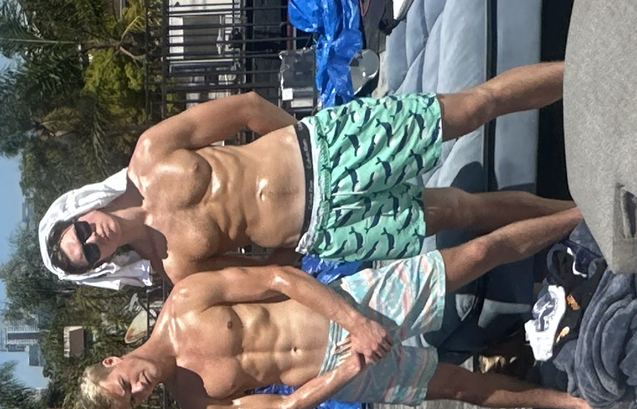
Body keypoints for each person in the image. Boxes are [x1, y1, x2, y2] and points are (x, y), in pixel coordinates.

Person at [41, 66, 569, 287]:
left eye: (80, 230)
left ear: (81, 210)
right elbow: (268, 272)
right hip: (329, 224)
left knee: (471, 108)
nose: (92, 239)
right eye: (87, 253)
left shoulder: (152, 153)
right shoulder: (178, 265)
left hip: (326, 148)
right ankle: (575, 216)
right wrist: (299, 236)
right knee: (461, 212)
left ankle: (580, 71)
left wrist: (309, 137)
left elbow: (246, 108)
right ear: (98, 267)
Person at [78, 232, 624, 409]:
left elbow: (278, 276)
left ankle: (583, 211)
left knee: (474, 254)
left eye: (125, 384)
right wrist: (342, 372)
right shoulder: (197, 402)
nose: (139, 388)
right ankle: (574, 403)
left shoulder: (185, 299)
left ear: (111, 363)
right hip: (342, 375)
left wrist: (355, 323)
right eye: (134, 400)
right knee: (460, 387)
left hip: (349, 308)